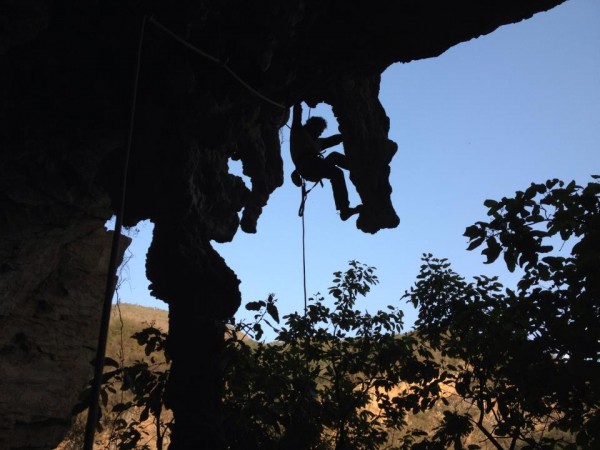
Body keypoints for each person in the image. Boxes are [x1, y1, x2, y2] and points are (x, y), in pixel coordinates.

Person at [289, 103, 361, 221]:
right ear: (311, 126)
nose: (319, 133)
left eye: (321, 132)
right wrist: (298, 100)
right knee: (335, 163)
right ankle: (357, 168)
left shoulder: (317, 142)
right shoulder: (298, 132)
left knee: (336, 170)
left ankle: (344, 209)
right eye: (319, 130)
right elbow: (297, 114)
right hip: (307, 166)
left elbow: (332, 140)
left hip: (314, 167)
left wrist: (345, 135)